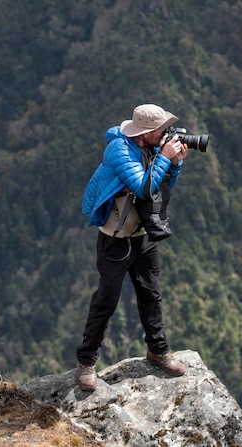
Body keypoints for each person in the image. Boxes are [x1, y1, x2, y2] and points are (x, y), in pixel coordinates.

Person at [76, 104, 189, 391]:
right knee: (107, 299)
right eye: (161, 130)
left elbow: (160, 188)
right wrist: (165, 157)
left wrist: (174, 163)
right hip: (116, 238)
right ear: (146, 133)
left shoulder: (151, 147)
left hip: (143, 233)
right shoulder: (119, 150)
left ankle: (157, 350)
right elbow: (142, 187)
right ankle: (86, 362)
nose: (166, 134)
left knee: (151, 293)